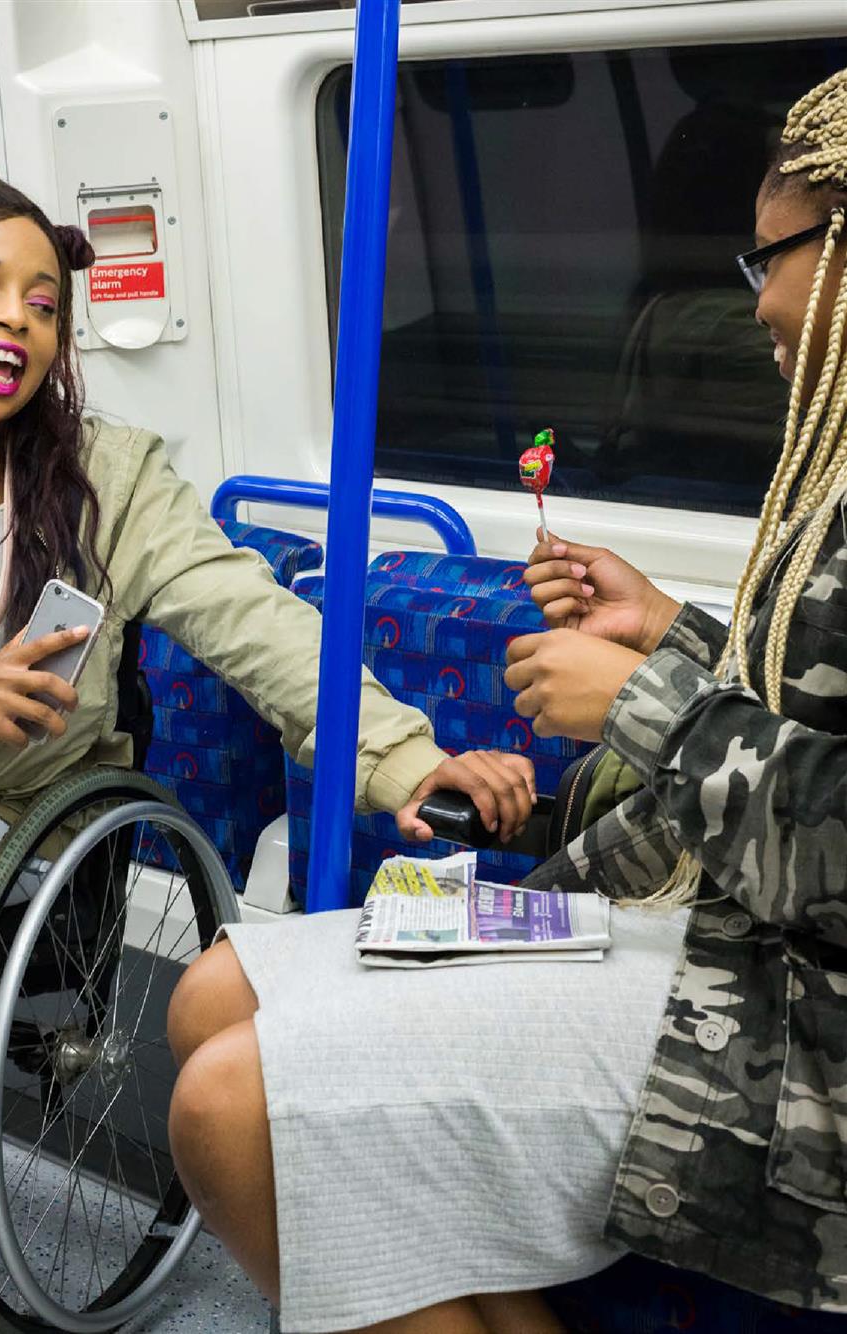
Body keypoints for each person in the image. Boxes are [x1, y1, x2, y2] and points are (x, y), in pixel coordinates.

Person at [168, 69, 847, 1334]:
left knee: (228, 1101)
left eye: (768, 263)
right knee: (209, 989)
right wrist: (669, 628)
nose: (753, 303)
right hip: (722, 908)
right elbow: (808, 712)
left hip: (792, 1001)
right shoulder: (832, 457)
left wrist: (644, 703)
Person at [0, 168, 535, 957]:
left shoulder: (108, 479)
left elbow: (251, 621)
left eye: (43, 305)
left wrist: (403, 759)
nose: (17, 318)